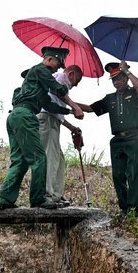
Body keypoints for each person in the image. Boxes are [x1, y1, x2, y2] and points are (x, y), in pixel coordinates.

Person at [0, 46, 84, 210]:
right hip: (25, 116)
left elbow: (49, 104)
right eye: (57, 64)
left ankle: (5, 198)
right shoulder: (40, 69)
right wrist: (75, 105)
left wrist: (70, 111)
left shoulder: (38, 86)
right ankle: (38, 199)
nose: (57, 69)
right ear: (49, 59)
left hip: (15, 117)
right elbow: (58, 88)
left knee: (20, 161)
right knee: (39, 158)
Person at [78, 61, 138, 216]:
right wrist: (68, 101)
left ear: (126, 79)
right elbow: (91, 108)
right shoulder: (110, 99)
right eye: (114, 80)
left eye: (120, 79)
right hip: (117, 141)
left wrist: (127, 71)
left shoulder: (134, 92)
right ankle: (124, 207)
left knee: (134, 174)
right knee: (118, 175)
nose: (117, 82)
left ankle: (134, 209)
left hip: (134, 138)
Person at [38, 65, 83, 207]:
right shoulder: (60, 77)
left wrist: (72, 127)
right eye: (77, 80)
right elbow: (59, 92)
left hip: (53, 120)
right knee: (50, 156)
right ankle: (46, 194)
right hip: (46, 119)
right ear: (71, 74)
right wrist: (75, 106)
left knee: (59, 159)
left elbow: (59, 115)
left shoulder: (59, 90)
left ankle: (56, 194)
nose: (76, 85)